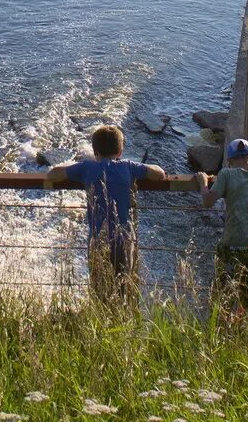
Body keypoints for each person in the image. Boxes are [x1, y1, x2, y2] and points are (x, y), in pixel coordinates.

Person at [49, 125, 166, 300]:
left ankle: (101, 317)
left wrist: (73, 168)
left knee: (98, 287)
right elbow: (159, 174)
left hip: (98, 239)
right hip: (123, 239)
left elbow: (53, 174)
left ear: (95, 151)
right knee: (124, 287)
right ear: (120, 151)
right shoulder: (128, 166)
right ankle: (123, 318)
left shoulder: (86, 168)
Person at [196, 138, 248, 311]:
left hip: (232, 245)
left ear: (230, 160)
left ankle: (224, 327)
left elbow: (208, 202)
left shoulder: (226, 174)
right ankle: (240, 326)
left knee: (224, 293)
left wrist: (203, 183)